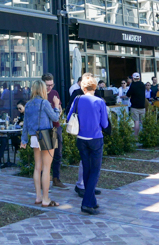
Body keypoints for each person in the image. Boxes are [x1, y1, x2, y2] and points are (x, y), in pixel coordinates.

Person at [67, 73, 108, 215]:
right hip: (96, 138)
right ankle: (86, 203)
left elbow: (69, 116)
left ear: (83, 87)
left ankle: (92, 201)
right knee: (95, 171)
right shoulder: (99, 101)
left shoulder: (77, 100)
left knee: (86, 169)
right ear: (94, 87)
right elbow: (105, 123)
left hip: (81, 138)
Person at [20, 80, 61, 207]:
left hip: (34, 137)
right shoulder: (44, 103)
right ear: (42, 89)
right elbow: (55, 118)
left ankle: (38, 197)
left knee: (37, 168)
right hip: (46, 136)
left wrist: (23, 141)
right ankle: (46, 199)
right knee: (46, 168)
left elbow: (25, 125)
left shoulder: (28, 105)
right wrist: (56, 106)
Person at [42, 73, 66, 189]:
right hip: (45, 128)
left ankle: (56, 178)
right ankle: (44, 180)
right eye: (47, 85)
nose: (49, 88)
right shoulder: (39, 96)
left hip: (56, 126)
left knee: (58, 154)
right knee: (45, 155)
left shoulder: (54, 93)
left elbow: (59, 109)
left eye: (51, 85)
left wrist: (57, 111)